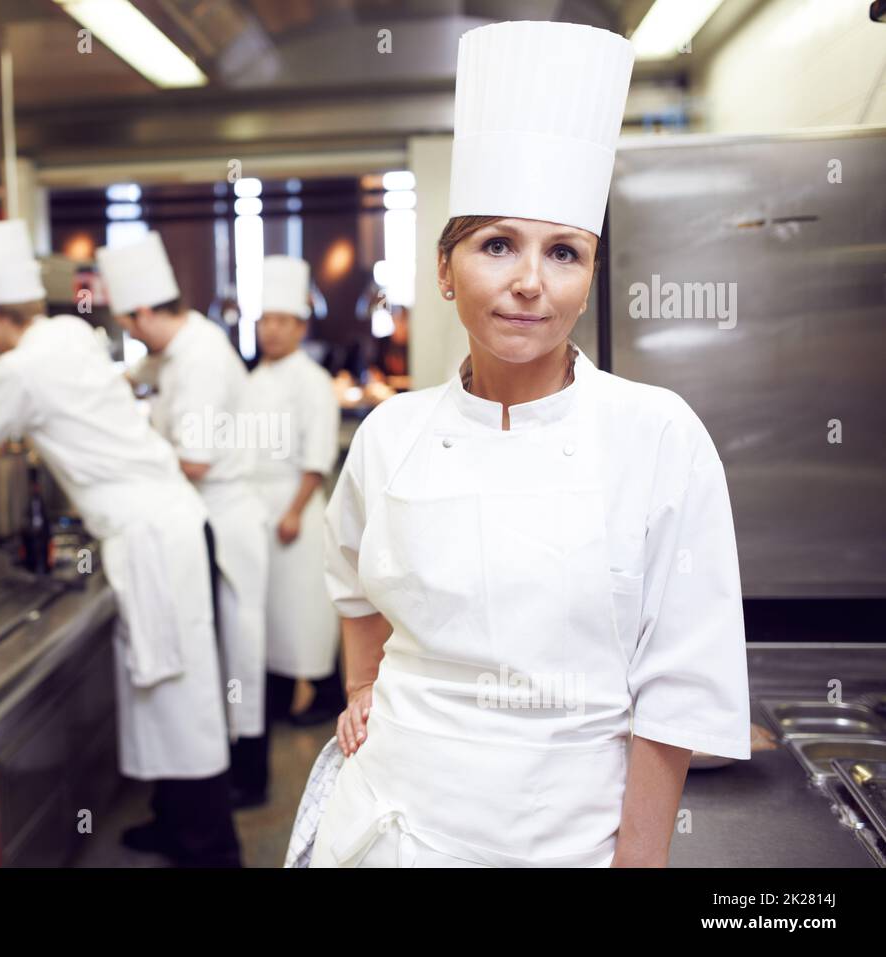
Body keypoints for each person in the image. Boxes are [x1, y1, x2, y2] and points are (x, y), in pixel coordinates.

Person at [304, 20, 750, 868]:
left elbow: (681, 686)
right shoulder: (392, 431)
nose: (528, 283)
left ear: (588, 279)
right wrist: (362, 688)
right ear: (445, 268)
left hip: (564, 839)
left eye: (564, 253)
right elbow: (350, 581)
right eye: (497, 243)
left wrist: (642, 859)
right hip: (384, 826)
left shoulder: (658, 435)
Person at [0, 219, 240, 867]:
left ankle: (212, 850)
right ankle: (174, 823)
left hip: (154, 537)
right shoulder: (71, 332)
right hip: (165, 525)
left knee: (184, 701)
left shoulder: (18, 368)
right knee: (165, 694)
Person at [96, 231, 273, 810]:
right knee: (229, 653)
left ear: (145, 312)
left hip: (223, 519)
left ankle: (245, 780)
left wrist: (128, 453)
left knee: (235, 655)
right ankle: (228, 777)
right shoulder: (179, 344)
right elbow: (131, 378)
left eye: (126, 320)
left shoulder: (198, 358)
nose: (128, 332)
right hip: (214, 517)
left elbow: (193, 460)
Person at [247, 255, 344, 726]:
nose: (271, 331)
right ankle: (280, 696)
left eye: (281, 321)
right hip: (257, 505)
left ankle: (327, 695)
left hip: (296, 509)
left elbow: (317, 455)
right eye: (265, 321)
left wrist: (292, 510)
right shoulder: (252, 377)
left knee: (304, 609)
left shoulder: (313, 381)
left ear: (300, 327)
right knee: (270, 613)